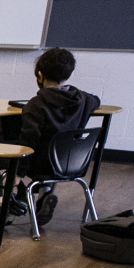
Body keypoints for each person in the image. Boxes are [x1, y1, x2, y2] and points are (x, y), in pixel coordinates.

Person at [17, 47, 101, 176]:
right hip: (72, 162)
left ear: (40, 75)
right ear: (68, 74)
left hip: (40, 165)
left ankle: (1, 195)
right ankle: (43, 194)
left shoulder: (36, 104)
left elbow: (28, 141)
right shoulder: (84, 99)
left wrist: (19, 173)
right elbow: (96, 100)